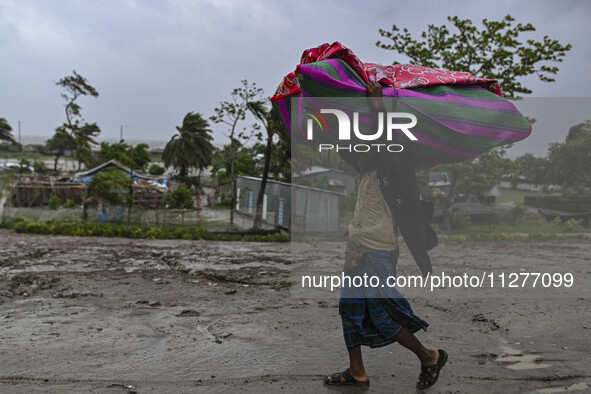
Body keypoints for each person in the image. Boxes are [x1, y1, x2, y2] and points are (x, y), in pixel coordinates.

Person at [323, 80, 448, 390]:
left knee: (383, 315)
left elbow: (387, 143)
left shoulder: (396, 166)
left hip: (378, 251)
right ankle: (357, 372)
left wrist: (377, 109)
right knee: (349, 310)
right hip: (358, 247)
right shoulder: (368, 166)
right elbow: (346, 147)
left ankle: (430, 356)